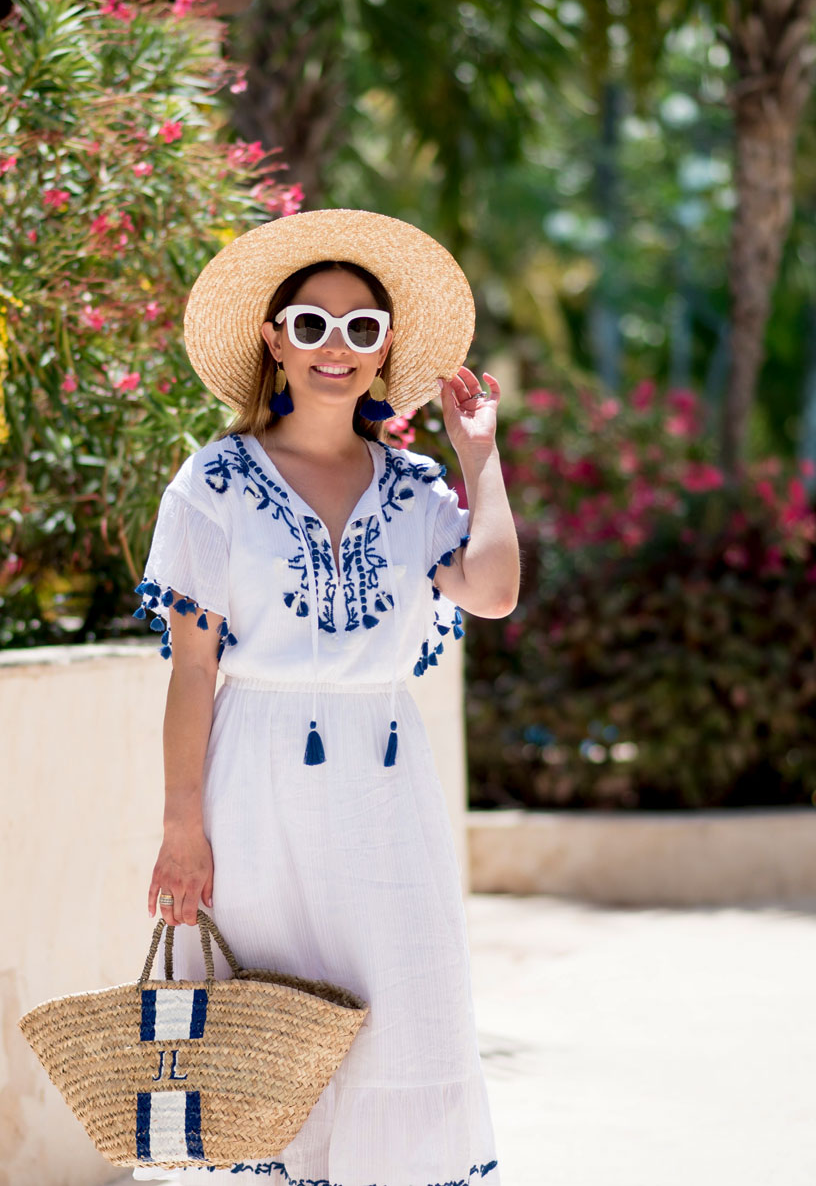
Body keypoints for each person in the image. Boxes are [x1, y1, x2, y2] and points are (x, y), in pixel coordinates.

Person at [131, 208, 519, 1186]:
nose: (334, 348)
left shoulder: (418, 486)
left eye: (360, 327)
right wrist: (183, 828)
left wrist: (481, 459)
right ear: (274, 338)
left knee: (404, 1027)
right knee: (262, 1049)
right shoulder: (212, 482)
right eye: (310, 325)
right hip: (256, 800)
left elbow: (496, 590)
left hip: (387, 806)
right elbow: (192, 671)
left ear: (386, 345)